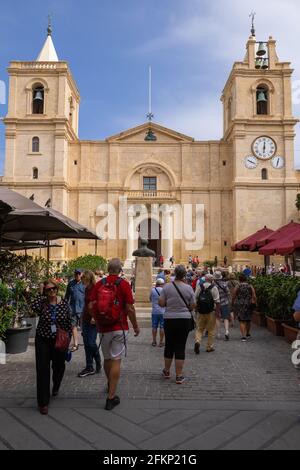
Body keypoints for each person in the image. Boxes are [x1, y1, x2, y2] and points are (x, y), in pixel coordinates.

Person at [90, 258, 140, 411]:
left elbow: (91, 305)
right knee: (116, 360)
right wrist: (135, 326)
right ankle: (111, 397)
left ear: (108, 268)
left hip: (104, 328)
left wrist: (97, 319)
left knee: (107, 359)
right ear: (120, 270)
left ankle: (110, 383)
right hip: (119, 327)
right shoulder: (124, 284)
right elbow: (130, 308)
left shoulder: (99, 283)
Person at [32, 280, 72, 415]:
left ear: (57, 288)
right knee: (42, 370)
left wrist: (69, 341)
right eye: (48, 290)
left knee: (59, 367)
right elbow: (33, 307)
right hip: (43, 340)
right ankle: (43, 402)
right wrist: (39, 292)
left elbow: (69, 322)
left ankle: (56, 384)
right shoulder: (42, 303)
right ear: (45, 291)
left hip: (59, 341)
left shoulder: (64, 303)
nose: (52, 291)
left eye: (53, 288)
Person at [159, 265, 196, 384]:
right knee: (180, 346)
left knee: (169, 345)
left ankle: (166, 371)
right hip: (184, 319)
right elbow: (193, 304)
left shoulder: (166, 287)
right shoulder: (189, 288)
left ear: (174, 273)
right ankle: (179, 376)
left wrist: (170, 304)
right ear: (185, 275)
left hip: (170, 318)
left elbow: (161, 303)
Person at [78, 271, 101, 378]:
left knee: (91, 343)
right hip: (86, 318)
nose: (82, 282)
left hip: (93, 320)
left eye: (84, 279)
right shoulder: (87, 289)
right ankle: (89, 366)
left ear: (88, 279)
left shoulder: (95, 289)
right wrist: (82, 318)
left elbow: (98, 304)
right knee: (87, 343)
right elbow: (86, 305)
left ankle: (98, 360)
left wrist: (94, 317)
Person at [194, 274, 220, 354]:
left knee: (199, 328)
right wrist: (217, 312)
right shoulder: (214, 287)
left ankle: (197, 341)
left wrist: (196, 309)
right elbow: (217, 301)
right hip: (211, 311)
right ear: (211, 279)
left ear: (205, 279)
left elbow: (195, 298)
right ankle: (209, 347)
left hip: (201, 311)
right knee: (211, 329)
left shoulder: (199, 286)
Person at [65, 269, 86, 352]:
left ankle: (86, 341)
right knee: (73, 326)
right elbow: (67, 296)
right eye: (76, 274)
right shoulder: (71, 284)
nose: (77, 275)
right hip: (72, 309)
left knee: (83, 327)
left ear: (81, 274)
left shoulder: (84, 284)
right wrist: (65, 306)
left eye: (79, 274)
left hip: (82, 309)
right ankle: (75, 344)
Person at [232, 274, 257, 342]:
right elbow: (254, 295)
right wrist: (255, 302)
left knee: (242, 320)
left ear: (239, 280)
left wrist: (233, 302)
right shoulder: (250, 286)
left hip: (240, 304)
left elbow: (234, 295)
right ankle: (248, 333)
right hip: (248, 304)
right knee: (248, 319)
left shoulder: (238, 286)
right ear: (246, 279)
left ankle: (243, 336)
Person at [214, 271, 231, 341]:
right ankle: (227, 331)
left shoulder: (213, 285)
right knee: (226, 318)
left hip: (217, 304)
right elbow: (228, 293)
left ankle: (218, 333)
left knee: (217, 318)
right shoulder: (224, 284)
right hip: (225, 302)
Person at [150, 279, 165, 347]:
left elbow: (150, 299)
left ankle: (154, 341)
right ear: (162, 284)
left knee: (154, 326)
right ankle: (161, 342)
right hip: (163, 311)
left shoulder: (152, 290)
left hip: (154, 311)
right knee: (162, 327)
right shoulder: (164, 290)